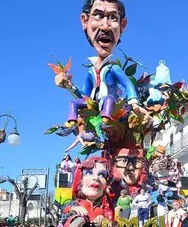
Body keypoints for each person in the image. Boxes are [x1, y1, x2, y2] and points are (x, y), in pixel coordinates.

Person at [54, 0, 151, 134]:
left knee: (109, 99)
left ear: (122, 25)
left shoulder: (113, 69)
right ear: (85, 21)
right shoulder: (91, 71)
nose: (105, 26)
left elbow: (128, 84)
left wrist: (134, 104)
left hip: (110, 105)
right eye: (98, 16)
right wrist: (69, 86)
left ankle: (105, 122)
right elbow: (85, 95)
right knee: (73, 103)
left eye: (113, 17)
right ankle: (72, 124)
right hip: (95, 105)